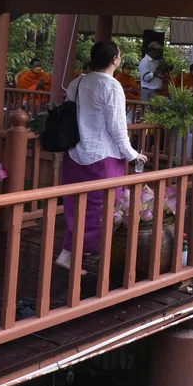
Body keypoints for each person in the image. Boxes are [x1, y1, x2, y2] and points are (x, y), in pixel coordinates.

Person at [55, 40, 147, 270]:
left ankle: (70, 252)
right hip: (102, 156)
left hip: (75, 154)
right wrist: (132, 154)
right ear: (114, 59)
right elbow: (117, 128)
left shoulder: (78, 81)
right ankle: (81, 255)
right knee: (103, 209)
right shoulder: (111, 86)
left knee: (77, 206)